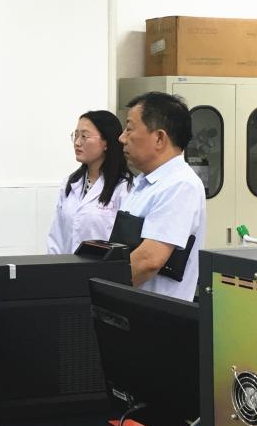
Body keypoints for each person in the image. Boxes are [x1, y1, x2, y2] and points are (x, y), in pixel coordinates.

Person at [118, 91, 205, 302]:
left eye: (129, 129)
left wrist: (93, 290)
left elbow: (149, 261)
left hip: (155, 315)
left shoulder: (181, 185)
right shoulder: (144, 183)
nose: (122, 138)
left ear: (159, 138)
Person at [47, 110, 132, 254]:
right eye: (76, 135)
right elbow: (56, 237)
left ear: (106, 142)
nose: (77, 142)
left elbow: (125, 243)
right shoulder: (70, 183)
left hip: (103, 267)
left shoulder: (124, 188)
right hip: (65, 266)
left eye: (84, 136)